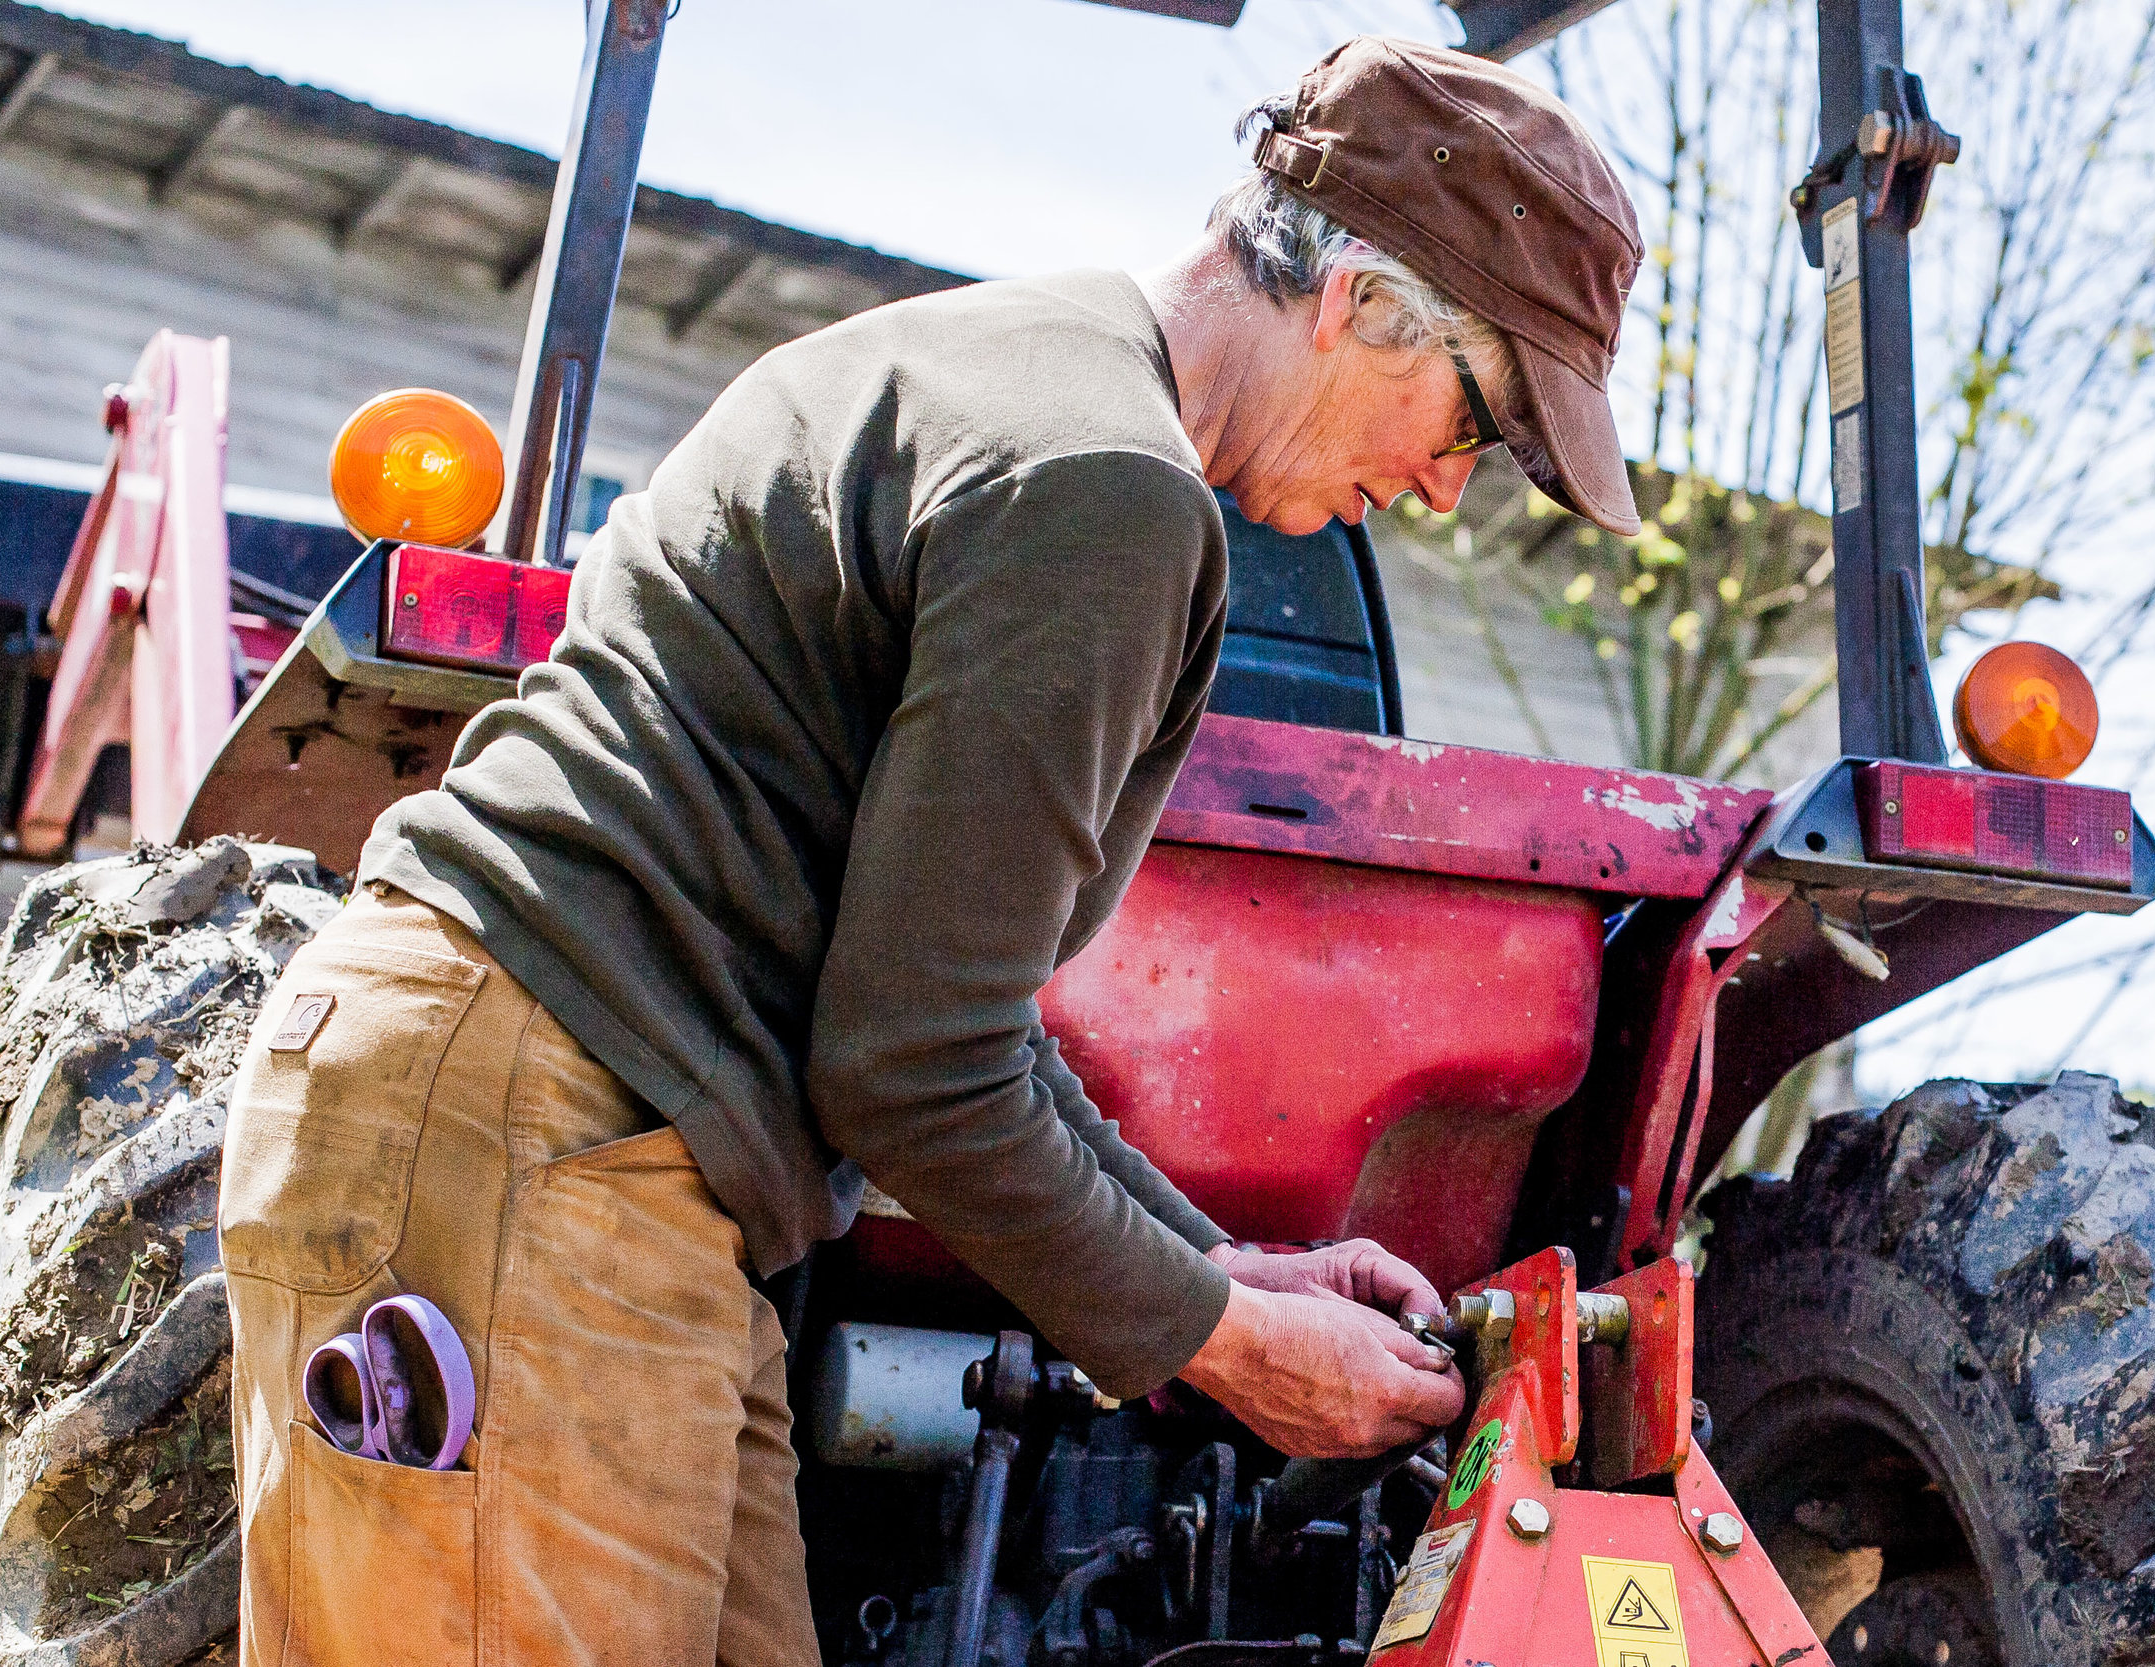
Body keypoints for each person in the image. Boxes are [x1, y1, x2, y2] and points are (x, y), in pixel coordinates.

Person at [218, 33, 1642, 1667]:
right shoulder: (1106, 488)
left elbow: (958, 1030)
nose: (1448, 491)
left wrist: (1226, 1265)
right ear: (1359, 303)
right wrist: (1227, 1346)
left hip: (602, 1157)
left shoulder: (1014, 366)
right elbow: (910, 1066)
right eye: (1475, 418)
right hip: (532, 1136)